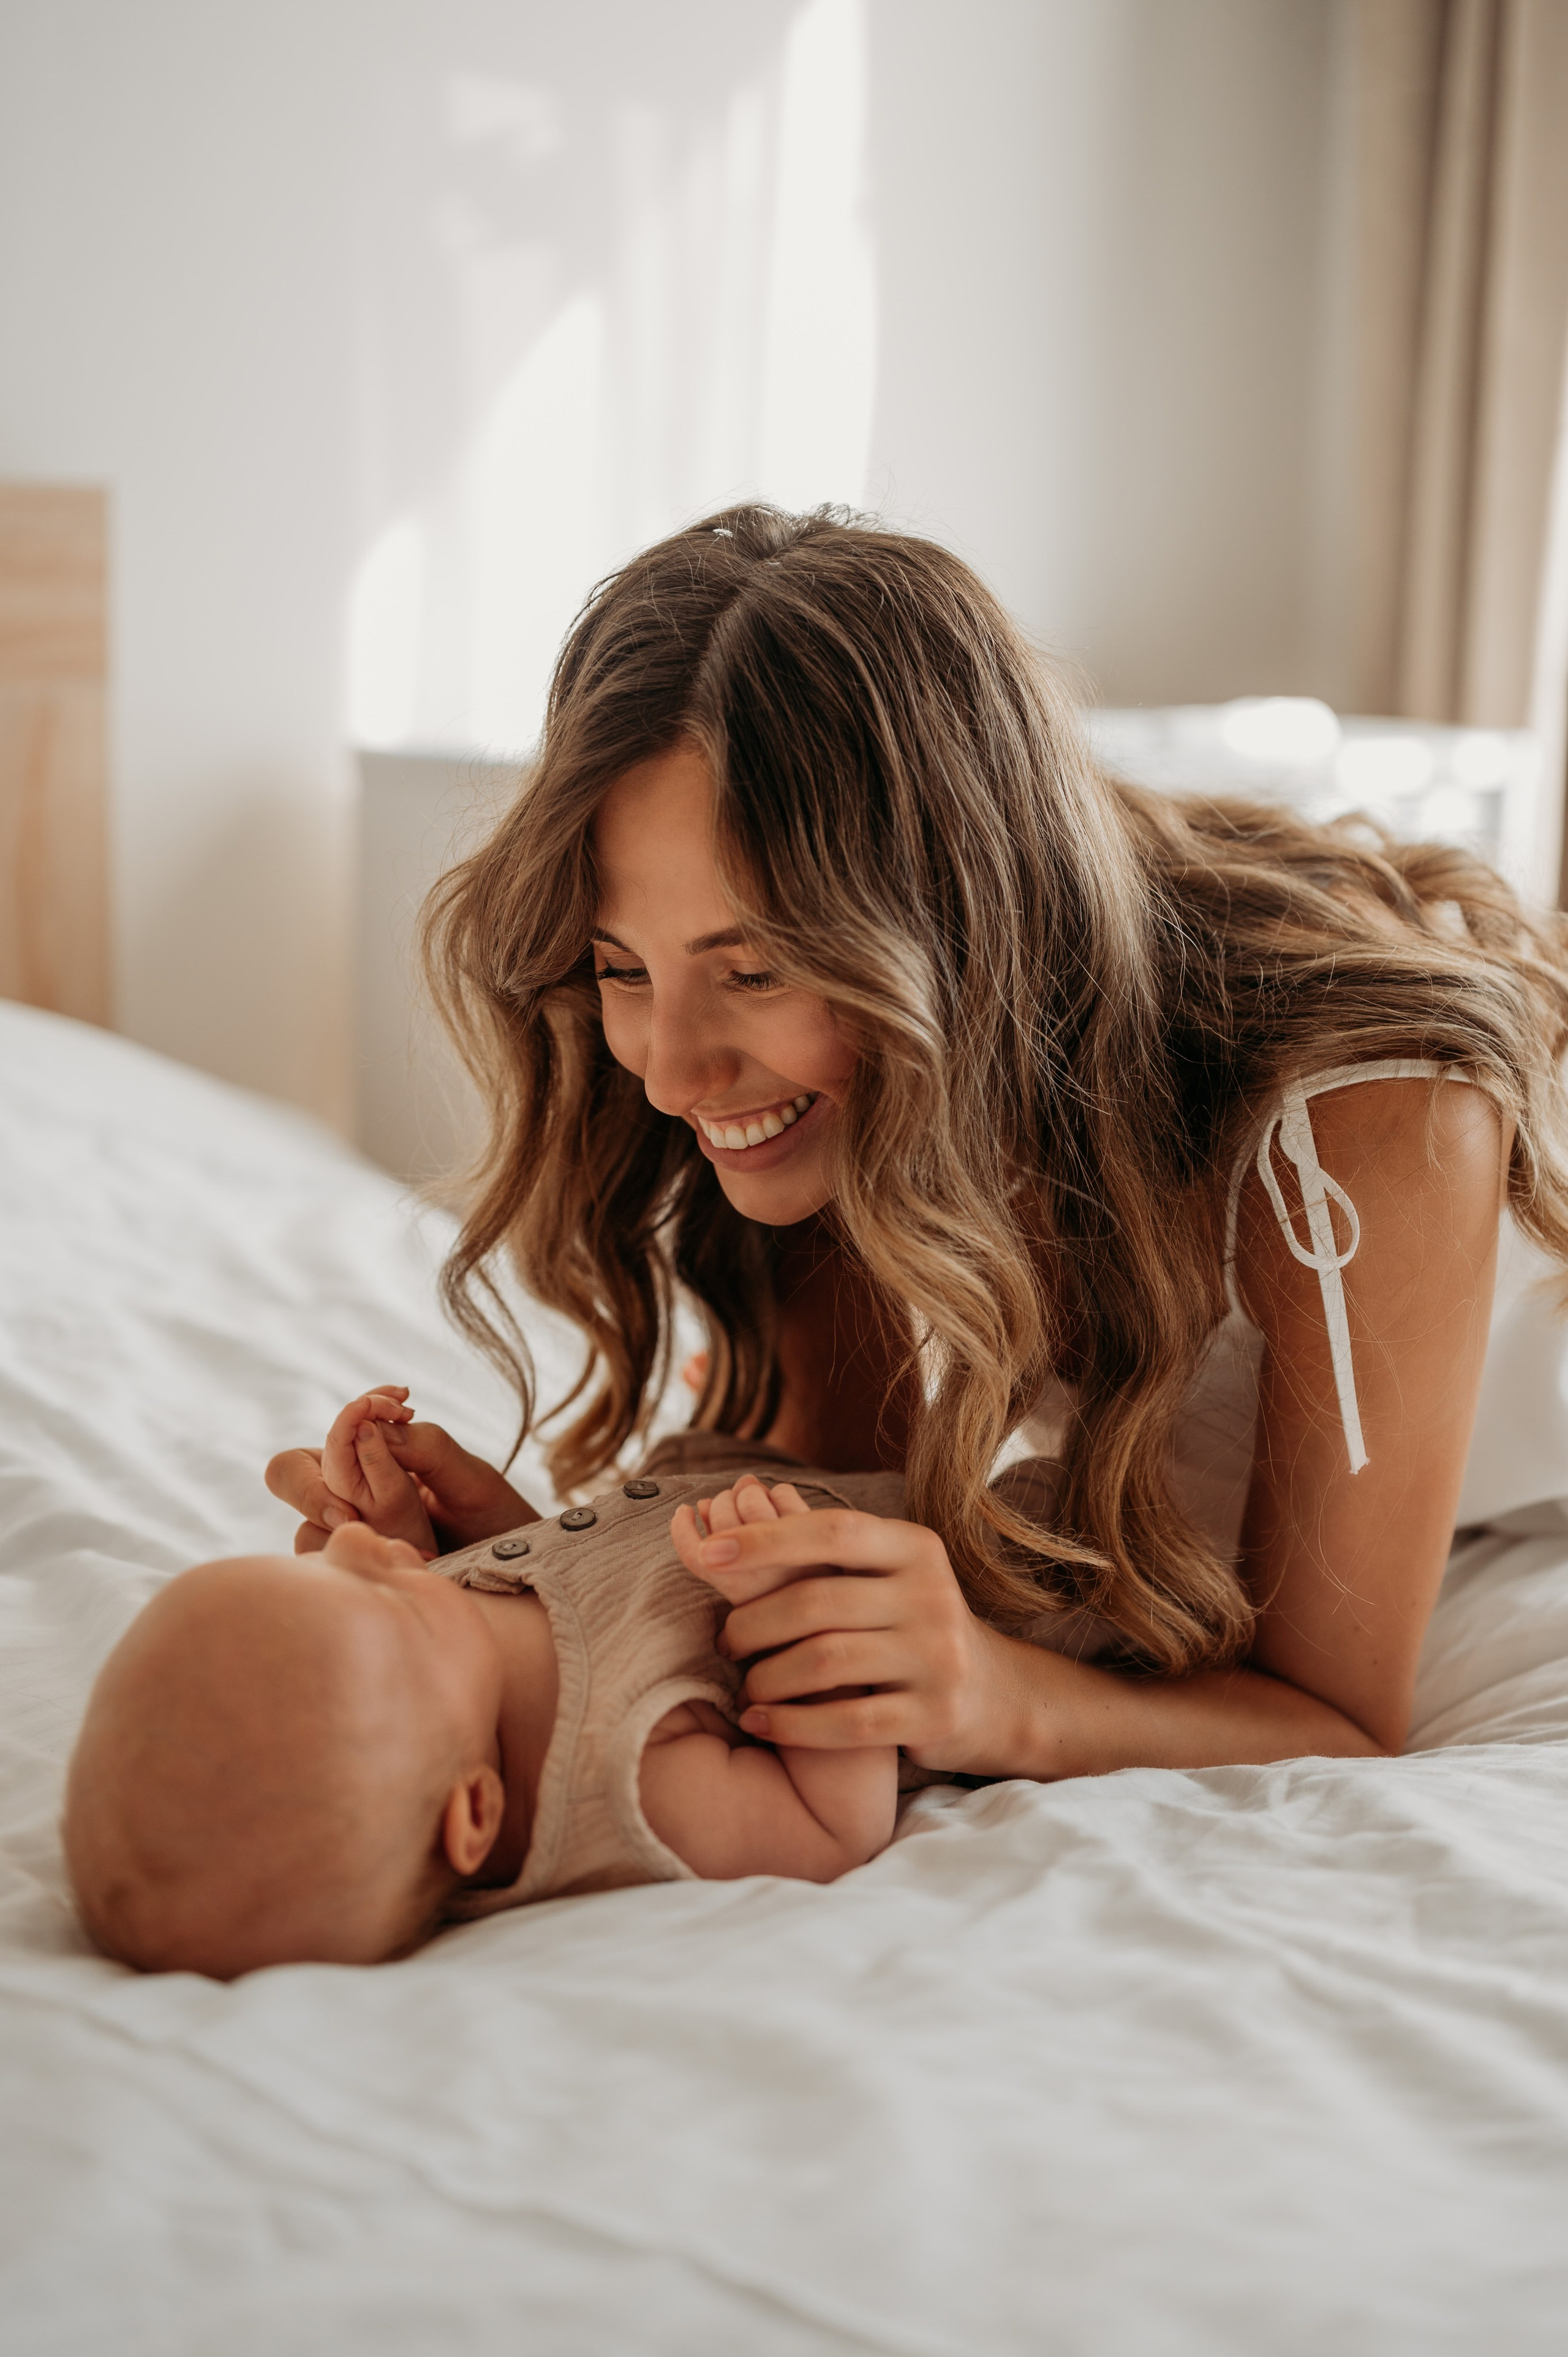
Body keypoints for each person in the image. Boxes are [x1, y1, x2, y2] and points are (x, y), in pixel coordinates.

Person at [268, 504, 1568, 1786]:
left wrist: (1004, 1701)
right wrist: (506, 1595)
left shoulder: (1375, 1122)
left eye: (757, 967)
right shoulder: (846, 1104)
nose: (670, 1067)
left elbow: (1337, 1720)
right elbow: (825, 1515)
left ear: (955, 936)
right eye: (621, 966)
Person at [64, 1401, 907, 1978]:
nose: (353, 1552)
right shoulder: (631, 1780)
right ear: (474, 1813)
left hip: (776, 1472)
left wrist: (427, 1529)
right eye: (385, 1596)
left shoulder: (448, 1685)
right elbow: (834, 1828)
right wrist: (803, 1606)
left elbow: (567, 1611)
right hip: (956, 1587)